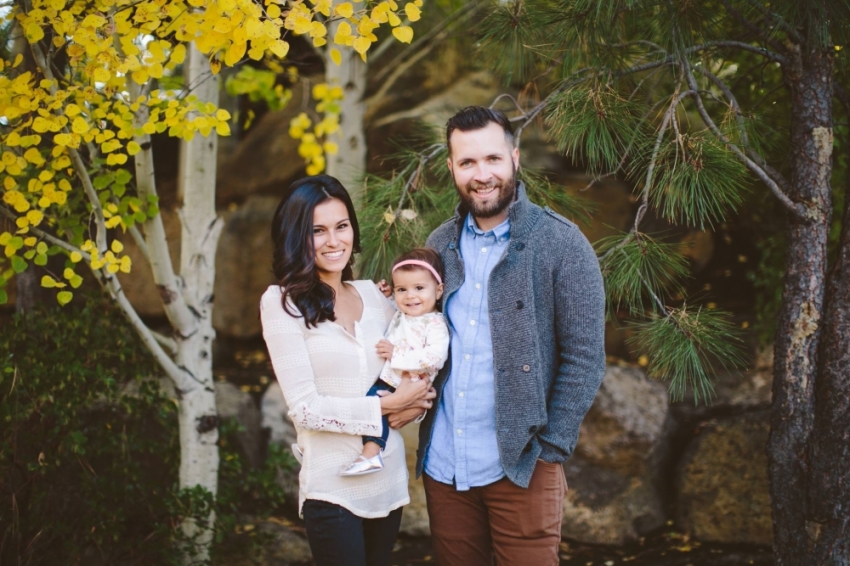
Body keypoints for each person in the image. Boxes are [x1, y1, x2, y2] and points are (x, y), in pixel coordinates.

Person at [406, 106, 606, 565]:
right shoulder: (439, 245)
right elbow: (416, 327)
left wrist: (550, 449)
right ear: (452, 167)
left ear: (515, 158)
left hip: (522, 465)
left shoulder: (562, 244)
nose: (482, 174)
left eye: (493, 159)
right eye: (468, 162)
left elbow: (584, 359)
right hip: (445, 467)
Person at [260, 175, 436, 566]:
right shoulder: (282, 304)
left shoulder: (378, 296)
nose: (334, 241)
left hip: (388, 484)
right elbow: (305, 409)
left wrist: (412, 405)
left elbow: (415, 366)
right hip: (333, 488)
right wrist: (385, 409)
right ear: (296, 237)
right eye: (317, 231)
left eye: (342, 226)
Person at [341, 248, 450, 476]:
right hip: (391, 377)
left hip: (405, 383)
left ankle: (372, 452)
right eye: (402, 289)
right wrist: (387, 296)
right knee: (360, 402)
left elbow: (435, 358)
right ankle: (335, 449)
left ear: (438, 291)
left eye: (419, 288)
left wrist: (396, 354)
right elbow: (394, 315)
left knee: (370, 406)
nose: (410, 296)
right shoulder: (407, 314)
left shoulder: (435, 324)